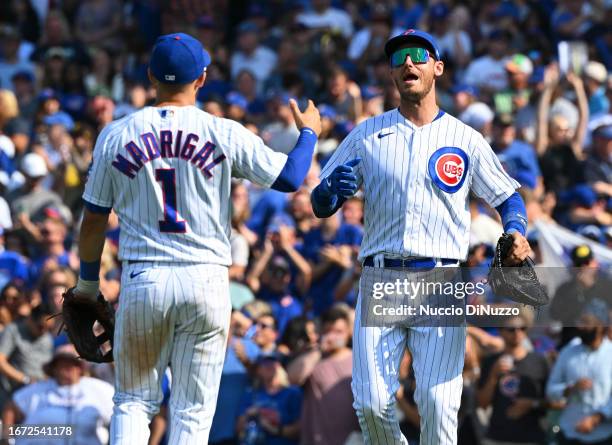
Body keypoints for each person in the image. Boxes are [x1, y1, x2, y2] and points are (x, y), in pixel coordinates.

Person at [74, 32, 321, 444]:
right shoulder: (222, 131)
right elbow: (292, 177)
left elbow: (95, 218)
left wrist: (86, 283)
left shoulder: (115, 134)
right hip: (206, 279)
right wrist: (309, 133)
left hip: (144, 278)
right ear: (202, 78)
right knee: (191, 412)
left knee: (134, 401)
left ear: (151, 75)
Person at [310, 29, 531, 444]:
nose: (408, 63)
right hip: (381, 276)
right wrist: (329, 193)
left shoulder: (465, 138)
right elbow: (320, 202)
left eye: (418, 56)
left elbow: (508, 197)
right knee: (371, 403)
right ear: (392, 74)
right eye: (399, 59)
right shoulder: (367, 134)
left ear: (438, 67)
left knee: (436, 402)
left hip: (440, 278)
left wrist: (516, 231)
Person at [2, 347, 114, 445]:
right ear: (54, 368)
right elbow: (10, 409)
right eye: (63, 363)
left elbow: (119, 413)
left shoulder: (98, 388)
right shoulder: (38, 389)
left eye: (73, 363)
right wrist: (8, 439)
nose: (68, 368)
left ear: (80, 368)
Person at [476, 310, 549, 445]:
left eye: (522, 328)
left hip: (532, 437)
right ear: (501, 331)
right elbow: (482, 404)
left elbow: (551, 401)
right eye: (511, 329)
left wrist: (532, 404)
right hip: (497, 437)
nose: (517, 333)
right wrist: (493, 375)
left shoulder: (539, 361)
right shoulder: (491, 361)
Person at [546, 309, 612, 445]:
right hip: (569, 432)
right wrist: (570, 387)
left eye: (587, 323)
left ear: (600, 325)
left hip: (603, 436)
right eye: (579, 322)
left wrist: (596, 418)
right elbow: (551, 390)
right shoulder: (568, 351)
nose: (581, 327)